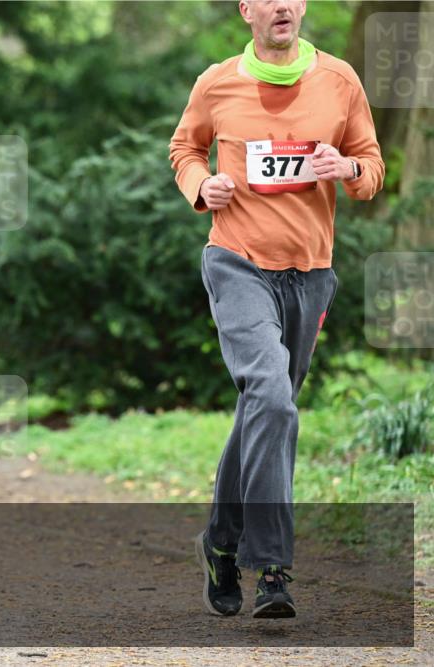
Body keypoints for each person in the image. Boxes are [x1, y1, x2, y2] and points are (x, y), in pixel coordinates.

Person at [170, 0, 383, 619]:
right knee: (271, 394)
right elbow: (185, 149)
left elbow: (371, 168)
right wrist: (201, 185)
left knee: (265, 409)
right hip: (237, 263)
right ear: (247, 10)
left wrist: (347, 166)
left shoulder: (339, 80)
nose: (283, 5)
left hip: (310, 275)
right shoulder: (217, 83)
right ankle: (271, 567)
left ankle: (219, 541)